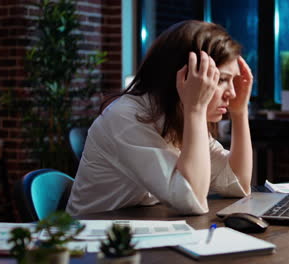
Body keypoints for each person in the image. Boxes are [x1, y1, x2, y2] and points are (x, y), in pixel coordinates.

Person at [66, 20, 253, 216]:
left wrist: (240, 113)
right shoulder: (125, 117)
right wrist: (196, 108)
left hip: (139, 230)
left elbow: (238, 183)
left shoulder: (177, 116)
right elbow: (193, 201)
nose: (232, 92)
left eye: (233, 81)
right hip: (95, 240)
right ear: (184, 77)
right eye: (222, 80)